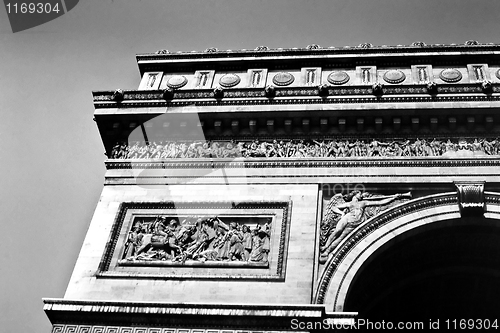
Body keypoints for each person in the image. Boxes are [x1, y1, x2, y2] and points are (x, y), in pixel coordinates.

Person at [321, 191, 404, 258]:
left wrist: (393, 197)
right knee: (337, 231)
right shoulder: (349, 203)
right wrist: (341, 213)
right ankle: (325, 246)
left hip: (355, 222)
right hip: (347, 218)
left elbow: (379, 202)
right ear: (355, 194)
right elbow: (334, 207)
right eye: (359, 194)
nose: (361, 195)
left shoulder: (364, 203)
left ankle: (327, 252)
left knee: (341, 238)